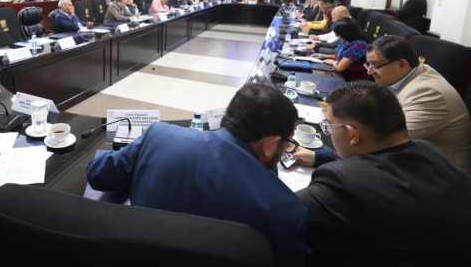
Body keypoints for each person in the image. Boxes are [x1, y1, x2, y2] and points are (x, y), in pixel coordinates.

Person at [87, 84, 307, 264]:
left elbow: (98, 174)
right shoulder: (285, 208)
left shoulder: (159, 136)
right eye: (287, 143)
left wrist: (140, 166)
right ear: (271, 143)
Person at [297, 82, 471, 264]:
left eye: (329, 126)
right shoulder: (429, 151)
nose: (329, 132)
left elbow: (284, 215)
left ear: (352, 134)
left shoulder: (340, 184)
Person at [364, 35, 471, 171]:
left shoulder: (429, 92)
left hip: (438, 176)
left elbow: (386, 142)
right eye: (368, 65)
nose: (369, 72)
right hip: (415, 160)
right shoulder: (413, 73)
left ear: (402, 64)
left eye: (375, 65)